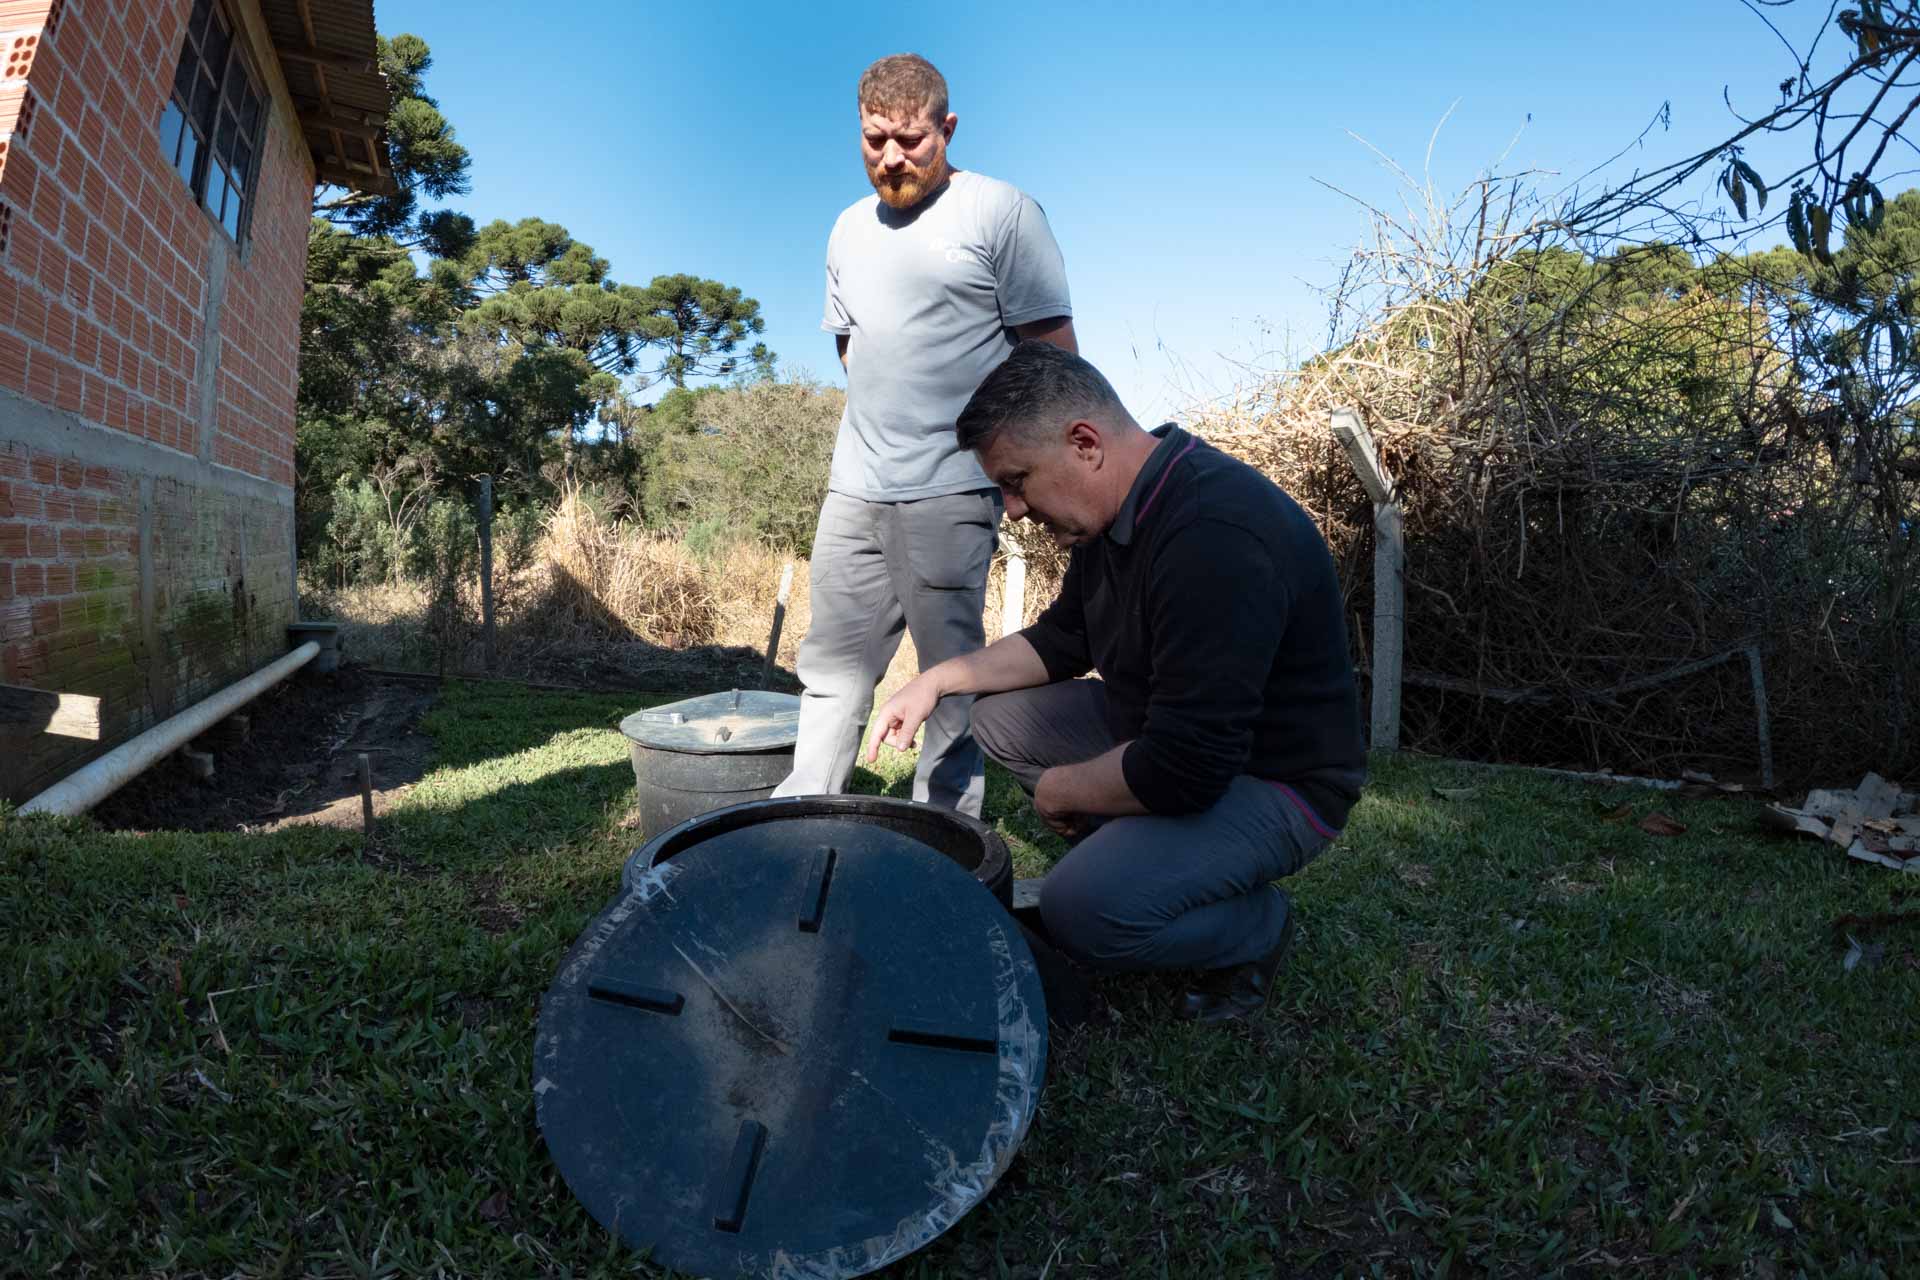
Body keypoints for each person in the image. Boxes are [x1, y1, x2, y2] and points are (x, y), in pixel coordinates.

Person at [868, 343, 1366, 1022]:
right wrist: (937, 681)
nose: (1011, 509)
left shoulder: (1213, 534)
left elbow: (1189, 765)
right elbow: (1061, 641)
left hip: (1276, 779)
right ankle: (1145, 856)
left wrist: (1065, 788)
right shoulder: (1112, 515)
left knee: (1082, 911)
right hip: (1174, 738)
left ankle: (1255, 926)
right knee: (996, 718)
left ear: (1084, 443)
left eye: (1017, 479)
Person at [772, 53, 1076, 818]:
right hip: (855, 487)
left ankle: (944, 835)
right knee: (831, 665)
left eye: (911, 139)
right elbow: (855, 350)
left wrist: (1012, 475)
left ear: (947, 128)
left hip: (952, 489)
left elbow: (1053, 357)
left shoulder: (1001, 214)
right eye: (876, 140)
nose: (893, 157)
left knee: (950, 674)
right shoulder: (847, 230)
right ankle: (805, 815)